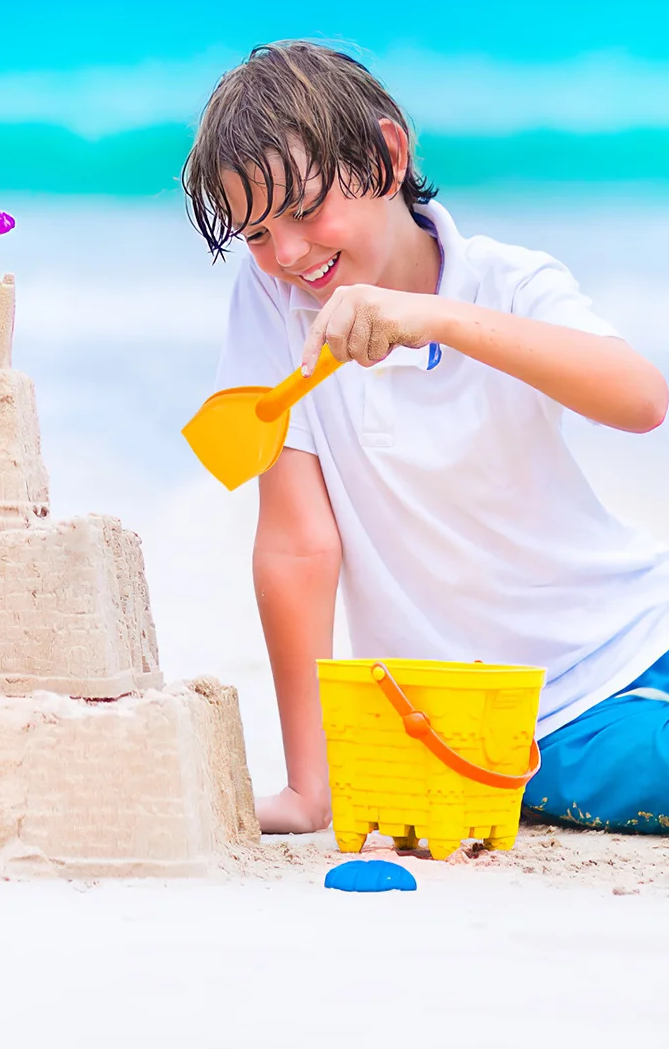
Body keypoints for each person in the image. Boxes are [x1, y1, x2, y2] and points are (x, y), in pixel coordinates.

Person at [183, 41, 669, 837]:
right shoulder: (275, 306)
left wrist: (437, 319)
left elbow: (641, 399)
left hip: (645, 618)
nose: (289, 253)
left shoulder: (505, 281)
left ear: (387, 153)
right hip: (531, 715)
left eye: (305, 210)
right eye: (257, 234)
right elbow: (299, 546)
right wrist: (312, 789)